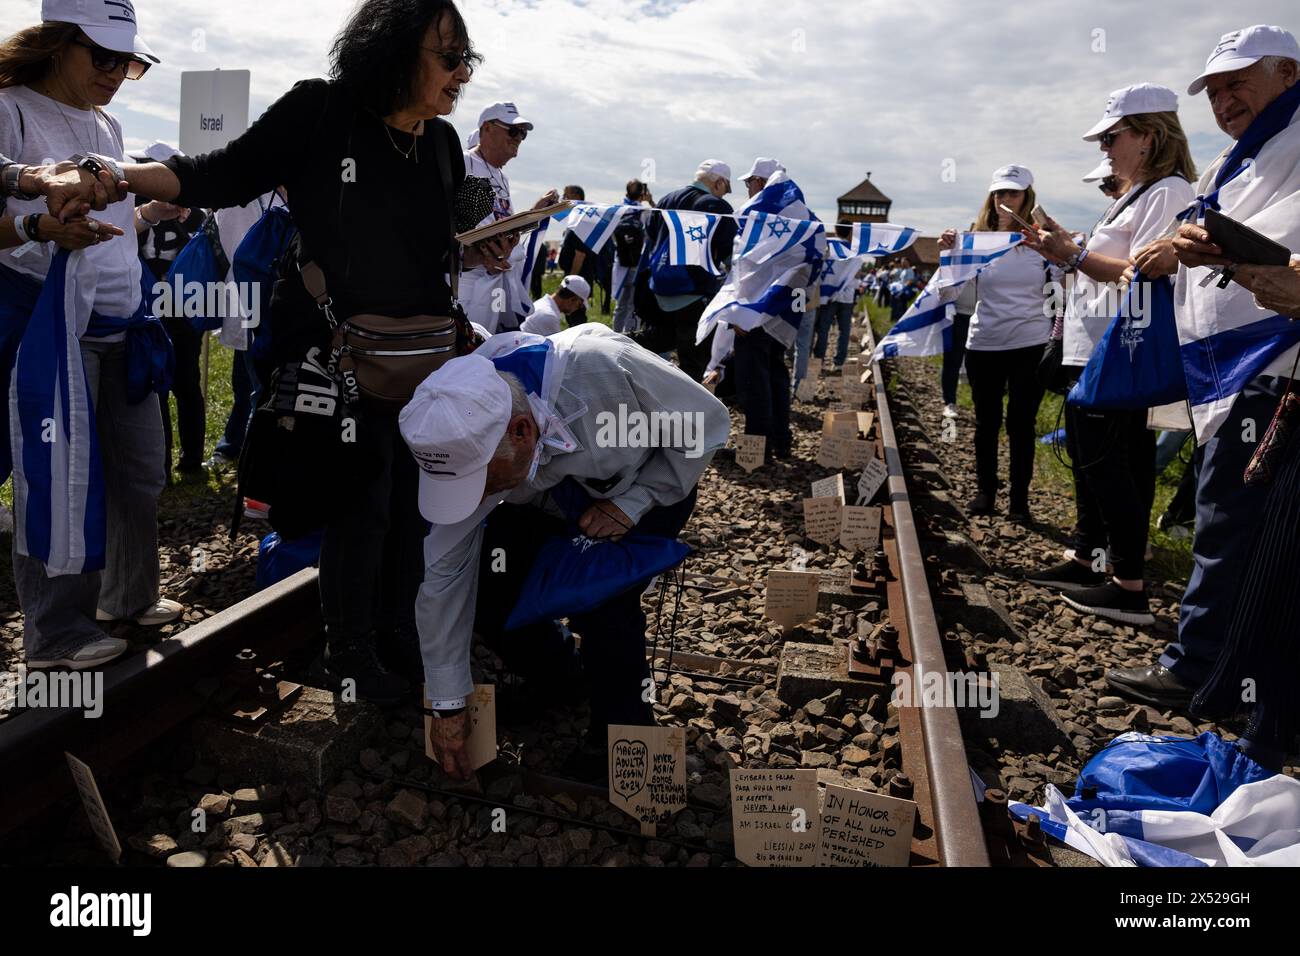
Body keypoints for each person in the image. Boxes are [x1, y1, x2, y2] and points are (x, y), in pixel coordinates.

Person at [49, 0, 497, 702]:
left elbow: (434, 236)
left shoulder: (439, 144)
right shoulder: (320, 112)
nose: (461, 71)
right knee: (363, 498)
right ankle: (352, 658)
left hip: (420, 356)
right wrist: (121, 176)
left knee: (415, 503)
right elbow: (217, 173)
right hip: (333, 354)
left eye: (466, 58)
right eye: (448, 55)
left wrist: (480, 244)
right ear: (394, 50)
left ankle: (400, 636)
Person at [402, 325, 728, 780]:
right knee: (495, 592)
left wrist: (631, 505)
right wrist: (447, 702)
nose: (474, 497)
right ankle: (559, 677)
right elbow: (445, 575)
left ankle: (622, 737)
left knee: (606, 603)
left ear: (520, 430)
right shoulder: (464, 433)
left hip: (646, 481)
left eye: (482, 484)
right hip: (542, 493)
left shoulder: (603, 369)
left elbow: (704, 423)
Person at [1105, 25, 1300, 715]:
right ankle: (1228, 668)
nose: (1224, 100)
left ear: (1287, 71)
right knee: (1230, 520)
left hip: (1273, 361)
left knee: (1230, 521)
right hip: (1236, 362)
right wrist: (1185, 244)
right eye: (1214, 90)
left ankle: (1204, 669)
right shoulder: (1239, 160)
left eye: (1237, 82)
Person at [0, 0, 182, 671]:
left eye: (127, 62)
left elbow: (111, 232)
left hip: (122, 322)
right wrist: (43, 230)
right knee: (58, 477)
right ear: (56, 43)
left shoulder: (106, 122)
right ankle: (55, 634)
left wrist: (146, 214)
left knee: (138, 472)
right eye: (102, 56)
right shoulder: (11, 109)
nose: (116, 72)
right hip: (54, 326)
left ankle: (125, 598)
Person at [1023, 83, 1195, 625]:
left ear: (1147, 137)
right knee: (1101, 461)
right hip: (1096, 342)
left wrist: (1071, 255)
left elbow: (1136, 275)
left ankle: (1128, 584)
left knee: (1110, 463)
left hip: (1116, 347)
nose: (1104, 149)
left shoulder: (1166, 191)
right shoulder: (1137, 193)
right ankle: (1089, 556)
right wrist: (1067, 249)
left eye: (1111, 137)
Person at [940, 165, 1057, 521]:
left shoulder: (1042, 242)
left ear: (1027, 198)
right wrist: (949, 255)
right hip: (985, 343)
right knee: (986, 421)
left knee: (1021, 424)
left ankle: (1019, 502)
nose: (1005, 200)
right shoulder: (977, 240)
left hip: (1030, 342)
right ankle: (986, 492)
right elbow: (949, 292)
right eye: (1000, 193)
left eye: (1013, 193)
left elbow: (1064, 289)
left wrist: (1057, 248)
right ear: (992, 198)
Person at [132, 142, 207, 478]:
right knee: (157, 383)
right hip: (147, 302)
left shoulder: (194, 210)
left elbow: (204, 252)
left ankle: (191, 462)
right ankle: (159, 465)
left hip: (183, 302)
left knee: (187, 383)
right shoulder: (134, 206)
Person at [632, 159, 736, 382]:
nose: (725, 195)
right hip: (694, 292)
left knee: (657, 344)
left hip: (658, 288)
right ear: (718, 182)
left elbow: (650, 238)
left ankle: (614, 345)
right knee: (693, 365)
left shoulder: (666, 199)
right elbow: (731, 254)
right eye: (726, 189)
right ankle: (686, 412)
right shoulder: (716, 207)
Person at [459, 101, 557, 334]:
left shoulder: (502, 178)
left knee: (488, 348)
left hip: (494, 278)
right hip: (468, 280)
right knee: (464, 351)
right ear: (486, 128)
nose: (518, 138)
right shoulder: (464, 162)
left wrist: (534, 214)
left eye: (522, 134)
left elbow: (501, 223)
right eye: (512, 130)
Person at [610, 178, 650, 335]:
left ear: (626, 192)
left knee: (621, 304)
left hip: (621, 262)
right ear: (642, 194)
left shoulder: (618, 209)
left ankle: (615, 334)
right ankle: (630, 336)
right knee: (634, 305)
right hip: (638, 264)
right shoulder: (645, 210)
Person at [519, 274, 589, 336]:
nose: (577, 309)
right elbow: (559, 349)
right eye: (579, 305)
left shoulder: (543, 304)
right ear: (572, 299)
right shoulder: (549, 316)